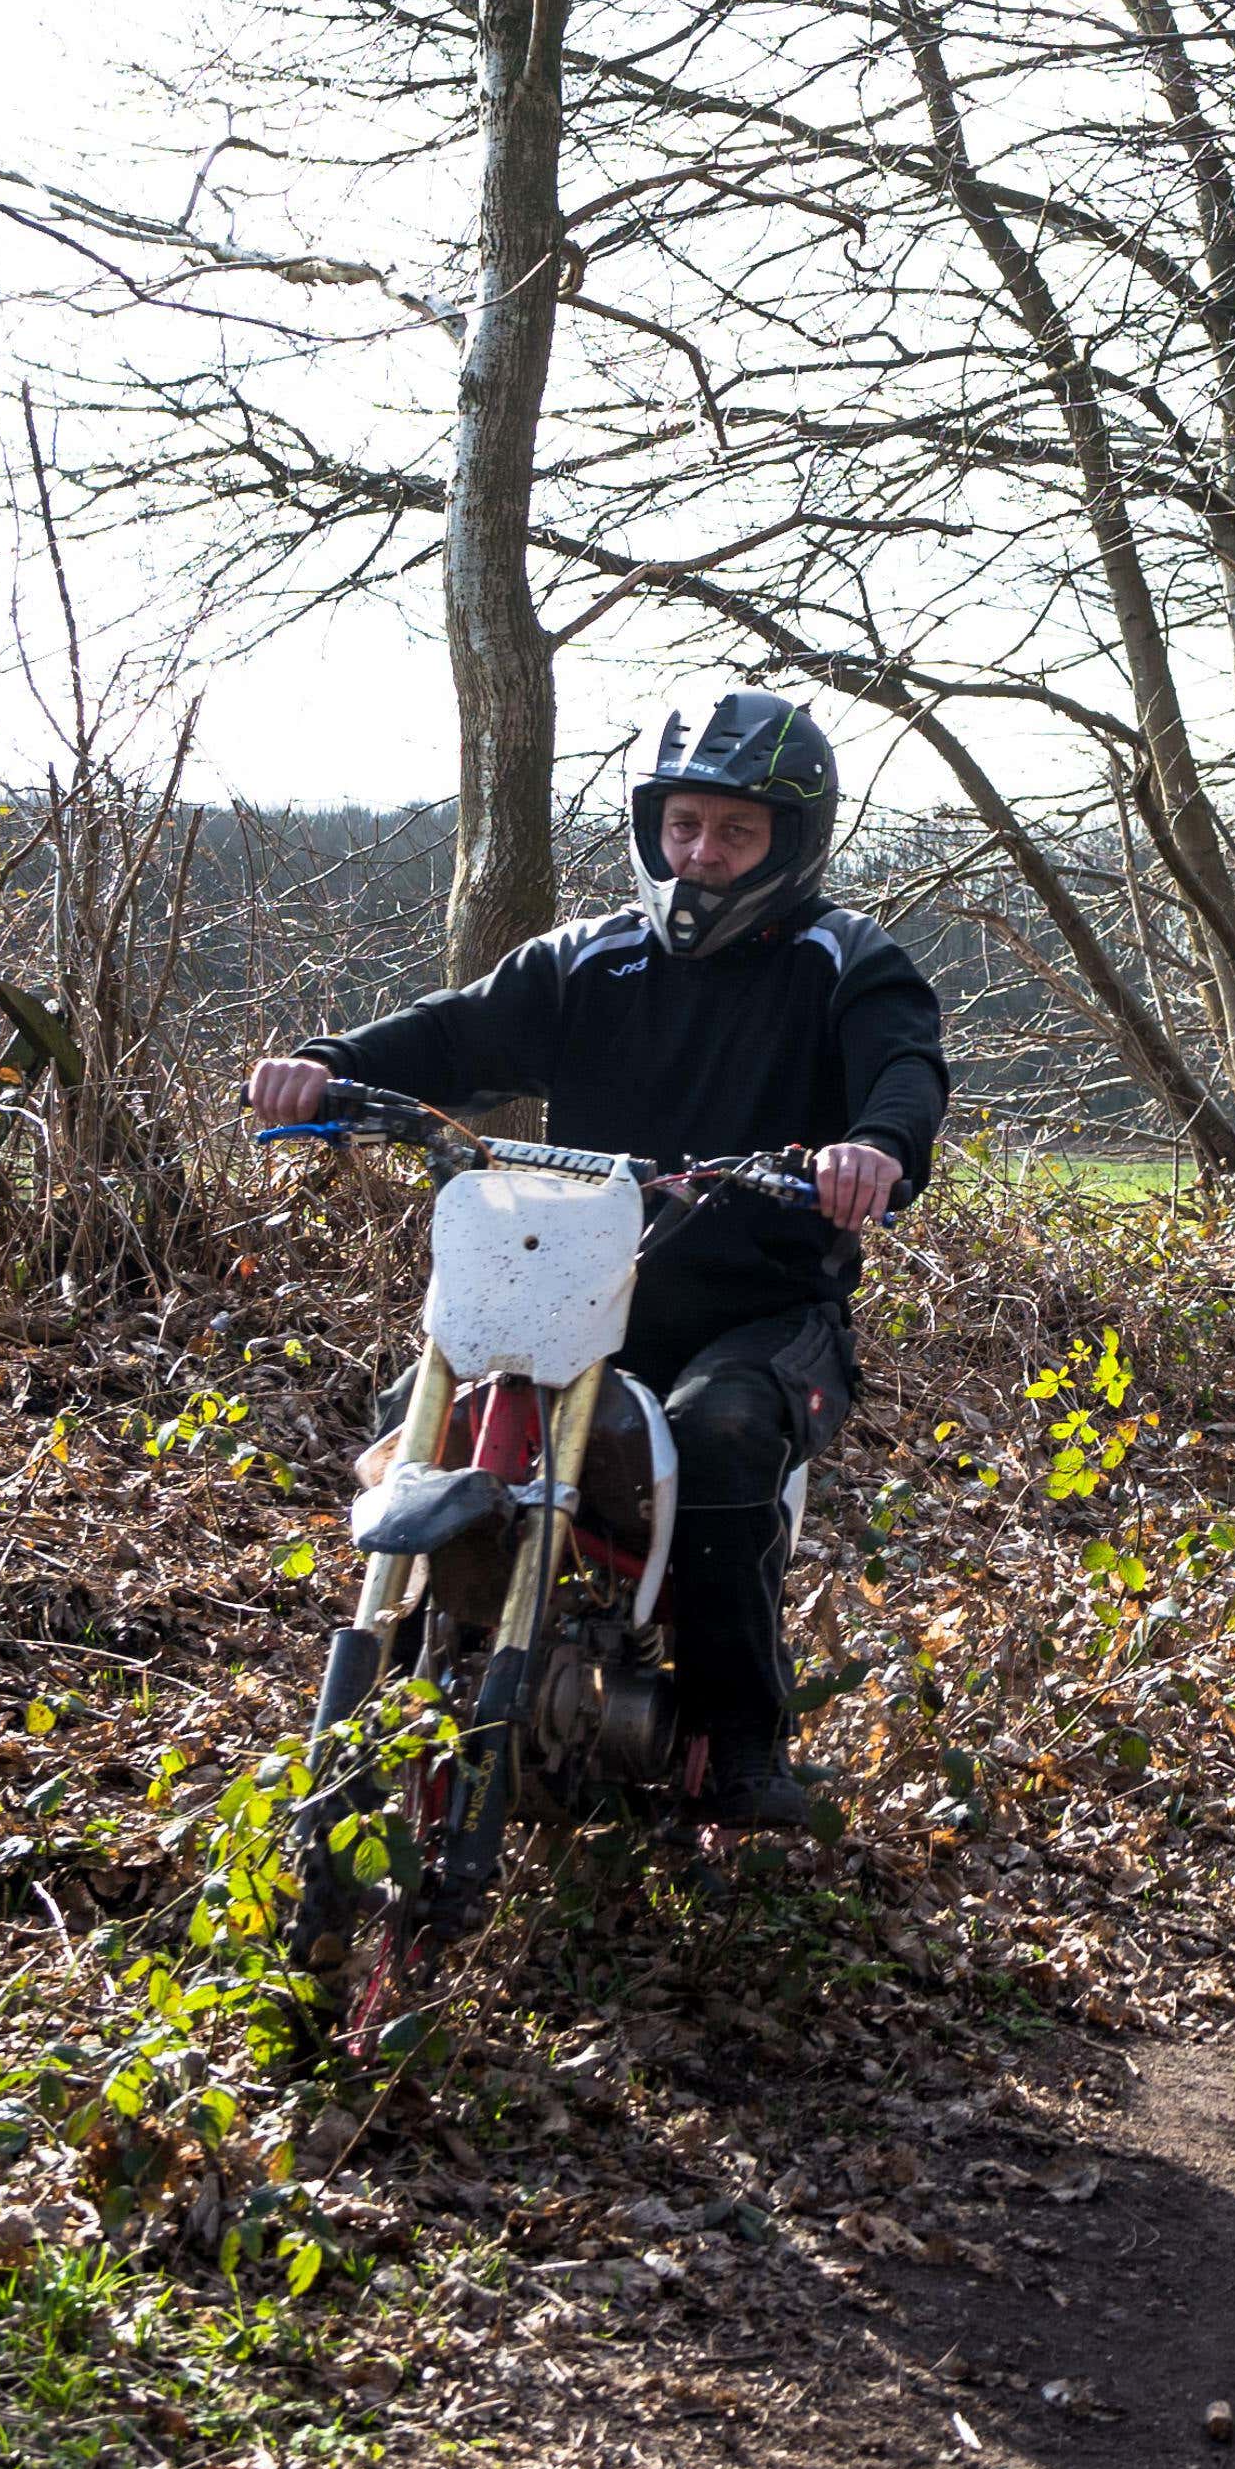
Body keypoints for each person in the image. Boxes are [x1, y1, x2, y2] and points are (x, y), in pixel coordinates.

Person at [243, 688, 946, 1830]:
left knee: (721, 1437)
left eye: (733, 831)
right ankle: (417, 1668)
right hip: (581, 1282)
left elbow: (904, 1071)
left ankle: (736, 1742)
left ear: (790, 842)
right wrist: (326, 1063)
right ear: (649, 824)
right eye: (681, 824)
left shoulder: (844, 961)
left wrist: (872, 1145)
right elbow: (454, 1031)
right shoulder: (589, 958)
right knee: (419, 1408)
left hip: (760, 1307)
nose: (700, 854)